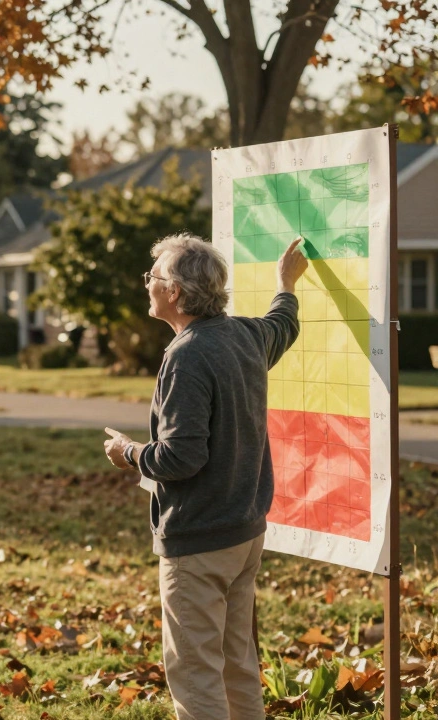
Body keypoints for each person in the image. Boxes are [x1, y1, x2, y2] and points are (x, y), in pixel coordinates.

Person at [103, 234, 307, 720]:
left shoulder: (186, 354)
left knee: (196, 676)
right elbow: (284, 324)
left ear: (174, 291)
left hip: (198, 540)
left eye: (152, 277)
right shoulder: (245, 335)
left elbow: (181, 457)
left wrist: (127, 452)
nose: (146, 284)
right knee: (237, 664)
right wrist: (286, 284)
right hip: (244, 535)